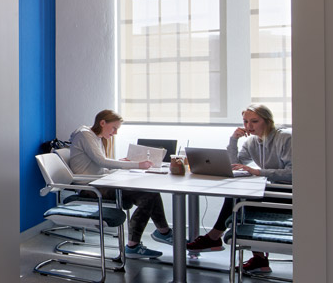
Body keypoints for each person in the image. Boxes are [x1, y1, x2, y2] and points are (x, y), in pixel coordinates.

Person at [186, 104, 293, 274]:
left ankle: (214, 238)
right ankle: (256, 258)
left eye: (254, 121)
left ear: (268, 121)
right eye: (245, 122)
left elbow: (293, 173)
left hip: (289, 193)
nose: (249, 126)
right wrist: (233, 140)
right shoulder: (252, 142)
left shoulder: (285, 138)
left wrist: (258, 172)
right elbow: (233, 165)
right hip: (273, 190)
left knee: (239, 199)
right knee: (237, 196)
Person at [68, 109, 174, 258]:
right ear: (102, 123)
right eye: (114, 128)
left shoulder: (95, 137)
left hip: (100, 182)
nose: (115, 133)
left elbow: (99, 166)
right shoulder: (85, 135)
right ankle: (140, 242)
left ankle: (161, 233)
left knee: (151, 194)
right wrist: (138, 165)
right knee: (148, 196)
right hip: (91, 188)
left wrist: (122, 163)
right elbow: (102, 162)